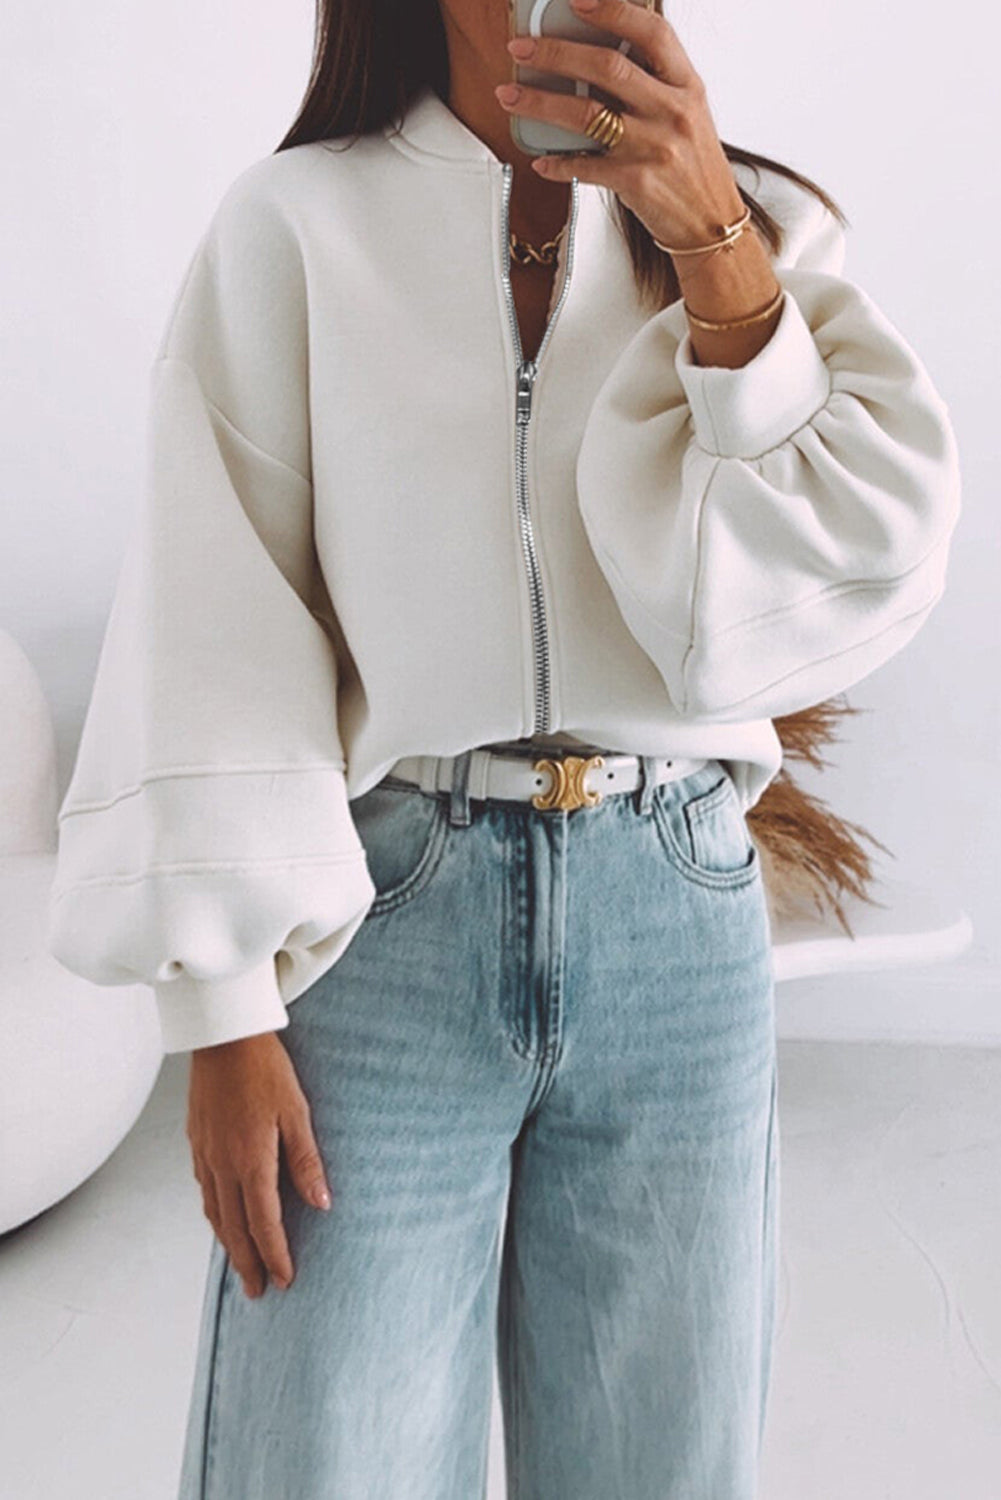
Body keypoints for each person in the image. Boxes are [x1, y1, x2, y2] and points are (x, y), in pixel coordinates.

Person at [46, 0, 962, 1495]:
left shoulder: (758, 223)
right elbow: (217, 611)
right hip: (386, 922)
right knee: (323, 1457)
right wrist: (220, 1012)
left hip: (675, 916)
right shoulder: (296, 225)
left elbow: (833, 576)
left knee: (660, 1464)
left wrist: (712, 237)